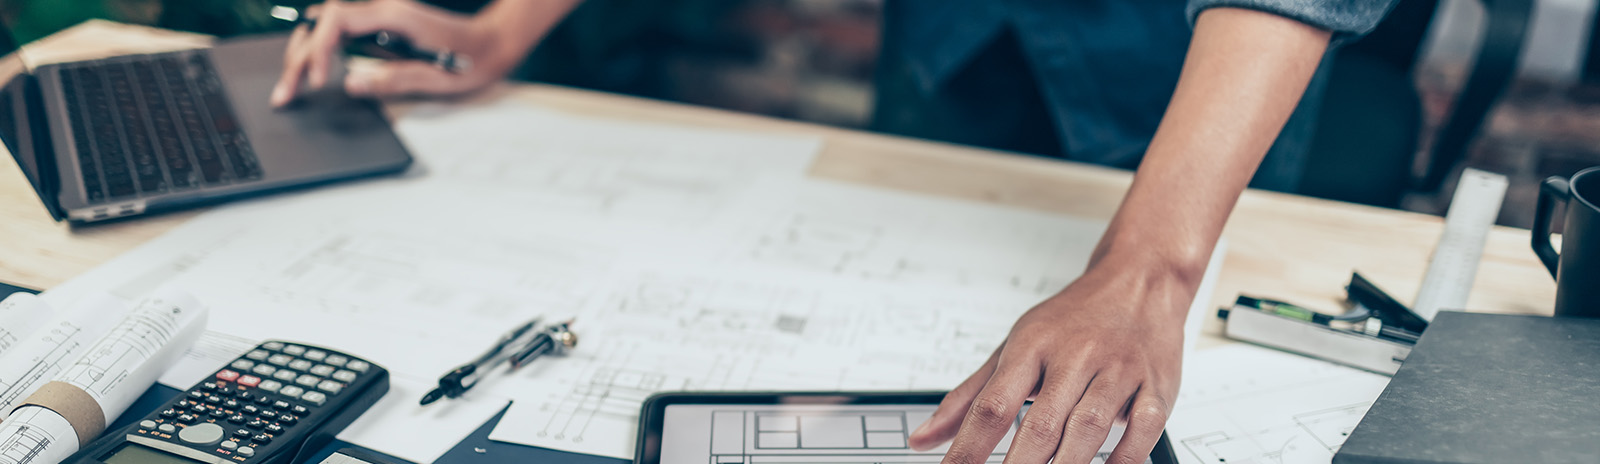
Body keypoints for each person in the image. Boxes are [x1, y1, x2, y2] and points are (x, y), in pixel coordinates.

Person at [272, 1, 1395, 462]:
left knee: (1122, 365)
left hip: (1204, 51)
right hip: (962, 35)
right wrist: (506, 25)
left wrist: (1149, 264)